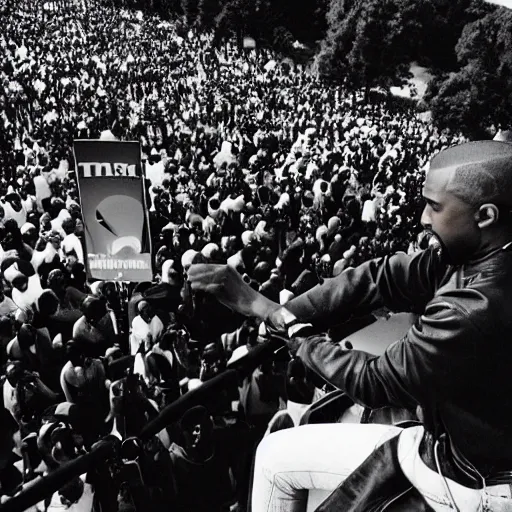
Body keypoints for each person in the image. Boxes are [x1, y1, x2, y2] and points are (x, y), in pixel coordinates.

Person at [189, 141, 512, 511]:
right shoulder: (480, 251)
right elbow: (381, 277)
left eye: (435, 206)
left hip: (468, 480)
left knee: (274, 461)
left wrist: (270, 313)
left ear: (485, 216)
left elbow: (374, 381)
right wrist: (285, 311)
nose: (423, 218)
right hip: (464, 450)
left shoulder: (476, 306)